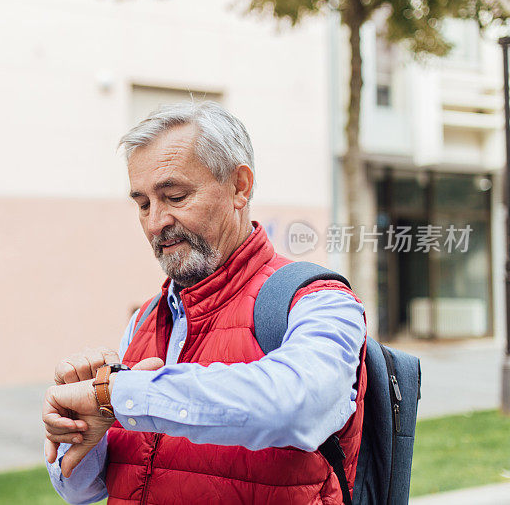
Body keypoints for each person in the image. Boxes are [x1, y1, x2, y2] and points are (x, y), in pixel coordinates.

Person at [42, 102, 367, 505]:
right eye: (142, 204)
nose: (154, 222)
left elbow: (295, 405)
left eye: (174, 196)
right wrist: (85, 432)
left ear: (239, 187)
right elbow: (82, 492)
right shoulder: (145, 318)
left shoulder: (318, 301)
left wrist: (118, 393)